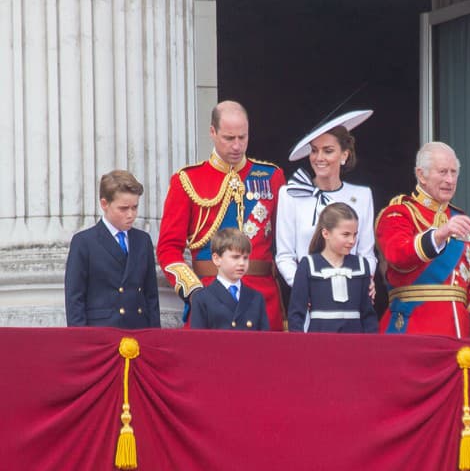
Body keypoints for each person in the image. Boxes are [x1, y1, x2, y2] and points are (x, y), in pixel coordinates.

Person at [157, 100, 286, 331]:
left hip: (263, 298)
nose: (237, 146)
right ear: (212, 132)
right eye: (229, 138)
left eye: (242, 137)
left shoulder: (272, 177)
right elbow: (168, 249)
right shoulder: (187, 180)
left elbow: (285, 245)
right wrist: (194, 291)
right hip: (209, 296)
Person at [375, 141, 470, 338]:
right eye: (443, 172)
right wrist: (438, 235)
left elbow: (469, 281)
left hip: (458, 332)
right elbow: (398, 255)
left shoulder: (458, 218)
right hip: (413, 327)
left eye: (454, 173)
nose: (450, 180)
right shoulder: (398, 212)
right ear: (421, 175)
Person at [276, 110, 376, 289]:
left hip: (350, 293)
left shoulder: (362, 196)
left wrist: (362, 281)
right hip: (308, 297)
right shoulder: (291, 194)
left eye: (328, 151)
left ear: (344, 155)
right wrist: (304, 288)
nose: (319, 158)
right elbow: (284, 256)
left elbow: (366, 255)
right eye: (314, 151)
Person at [64, 170, 161, 328]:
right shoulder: (84, 242)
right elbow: (75, 299)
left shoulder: (143, 240)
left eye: (135, 207)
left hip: (138, 330)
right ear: (104, 204)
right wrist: (80, 341)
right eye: (123, 208)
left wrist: (155, 337)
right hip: (101, 332)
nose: (131, 214)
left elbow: (151, 296)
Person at [287, 202, 378, 333]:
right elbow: (296, 314)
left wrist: (371, 345)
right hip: (319, 342)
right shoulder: (308, 265)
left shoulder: (361, 265)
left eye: (355, 234)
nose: (352, 240)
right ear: (326, 233)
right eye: (346, 234)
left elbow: (368, 315)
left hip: (355, 343)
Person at [189, 228, 269, 330]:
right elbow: (199, 340)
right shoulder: (202, 298)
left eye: (245, 258)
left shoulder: (256, 298)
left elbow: (263, 341)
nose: (242, 263)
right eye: (235, 257)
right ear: (217, 259)